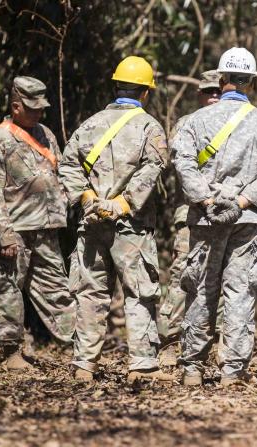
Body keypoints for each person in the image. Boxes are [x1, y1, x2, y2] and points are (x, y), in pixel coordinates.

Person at [173, 47, 257, 387]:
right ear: (251, 82)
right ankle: (232, 372)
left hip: (206, 218)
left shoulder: (196, 120)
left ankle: (192, 368)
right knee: (240, 293)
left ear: (221, 80)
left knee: (200, 290)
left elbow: (183, 163)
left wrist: (208, 200)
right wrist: (241, 200)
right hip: (248, 221)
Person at [58, 56, 174, 384]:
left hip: (91, 223)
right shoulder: (150, 127)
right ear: (146, 93)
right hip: (132, 226)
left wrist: (87, 199)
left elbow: (67, 165)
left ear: (116, 86)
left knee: (90, 292)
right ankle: (142, 365)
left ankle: (84, 365)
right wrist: (123, 203)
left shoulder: (91, 124)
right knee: (139, 292)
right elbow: (153, 168)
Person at [0, 76, 75, 371]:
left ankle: (81, 348)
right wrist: (4, 234)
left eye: (42, 108)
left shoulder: (46, 134)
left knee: (57, 288)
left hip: (45, 228)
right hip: (14, 231)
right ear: (15, 105)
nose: (38, 114)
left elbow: (60, 171)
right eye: (32, 108)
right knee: (7, 291)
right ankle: (11, 354)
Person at [157, 69, 222, 366]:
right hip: (190, 213)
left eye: (218, 91)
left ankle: (216, 341)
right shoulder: (187, 124)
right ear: (199, 94)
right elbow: (178, 164)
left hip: (226, 214)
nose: (213, 97)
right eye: (208, 92)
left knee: (222, 278)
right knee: (184, 275)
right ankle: (170, 341)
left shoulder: (240, 122)